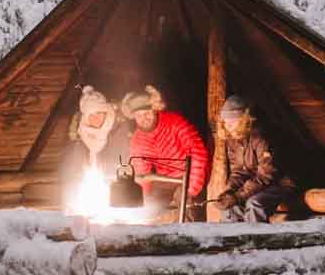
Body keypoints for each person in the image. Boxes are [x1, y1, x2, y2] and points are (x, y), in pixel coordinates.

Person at [121, 86, 209, 220]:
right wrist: (142, 199)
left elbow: (198, 152)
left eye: (147, 113)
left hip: (188, 176)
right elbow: (142, 173)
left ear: (155, 110)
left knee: (185, 206)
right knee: (148, 209)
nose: (144, 118)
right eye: (139, 115)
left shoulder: (175, 123)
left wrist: (191, 187)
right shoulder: (137, 139)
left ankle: (188, 238)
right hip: (164, 180)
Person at [214, 95, 298, 223]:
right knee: (231, 207)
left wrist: (238, 196)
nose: (227, 125)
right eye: (225, 121)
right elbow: (238, 171)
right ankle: (232, 239)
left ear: (244, 119)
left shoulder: (262, 138)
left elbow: (266, 175)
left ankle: (253, 240)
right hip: (257, 183)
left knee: (254, 204)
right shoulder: (234, 140)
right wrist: (229, 191)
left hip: (281, 183)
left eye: (232, 121)